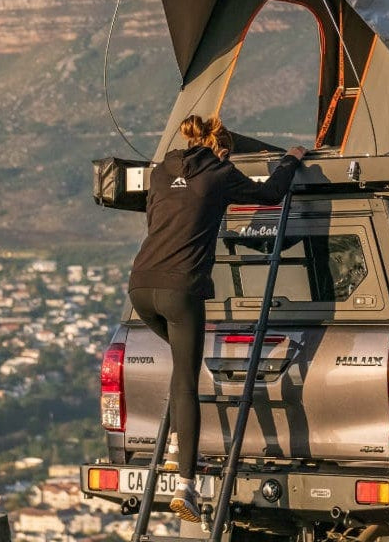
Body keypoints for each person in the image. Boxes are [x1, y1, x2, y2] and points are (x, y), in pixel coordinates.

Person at [127, 114, 306, 522]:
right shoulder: (221, 173)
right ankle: (186, 485)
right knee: (187, 381)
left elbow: (160, 220)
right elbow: (272, 193)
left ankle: (176, 442)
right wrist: (291, 159)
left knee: (179, 367)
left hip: (141, 286)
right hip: (181, 289)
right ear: (221, 148)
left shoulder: (158, 174)